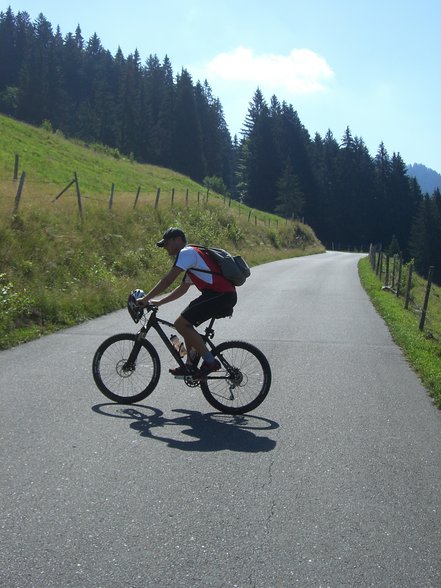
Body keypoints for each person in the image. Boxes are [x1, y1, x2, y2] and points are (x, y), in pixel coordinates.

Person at [136, 227, 237, 378]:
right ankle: (189, 367)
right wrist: (159, 302)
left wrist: (145, 299)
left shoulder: (186, 253)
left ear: (178, 240)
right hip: (220, 295)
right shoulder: (192, 258)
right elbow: (182, 289)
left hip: (221, 294)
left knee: (181, 324)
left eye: (167, 243)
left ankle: (210, 362)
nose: (165, 248)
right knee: (185, 324)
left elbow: (168, 280)